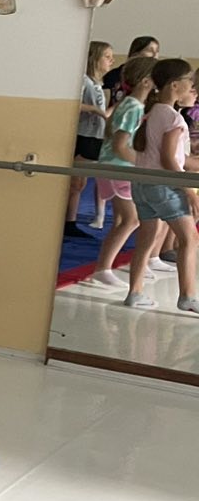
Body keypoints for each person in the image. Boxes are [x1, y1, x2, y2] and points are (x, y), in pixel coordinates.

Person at [124, 58, 199, 314]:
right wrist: (188, 190)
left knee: (147, 238)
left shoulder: (153, 112)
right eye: (189, 83)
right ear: (175, 85)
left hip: (143, 185)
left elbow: (174, 157)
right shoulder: (174, 118)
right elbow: (168, 160)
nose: (192, 88)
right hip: (164, 186)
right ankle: (188, 296)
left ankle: (135, 292)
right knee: (190, 238)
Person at [89, 54, 158, 287]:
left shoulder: (131, 105)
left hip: (114, 167)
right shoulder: (133, 107)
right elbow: (120, 145)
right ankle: (103, 267)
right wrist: (142, 163)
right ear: (146, 81)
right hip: (119, 168)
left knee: (122, 219)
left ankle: (105, 266)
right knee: (132, 219)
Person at [68, 42, 115, 238]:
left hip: (95, 134)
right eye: (107, 56)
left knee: (80, 182)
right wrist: (95, 110)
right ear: (94, 59)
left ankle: (71, 220)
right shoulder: (84, 81)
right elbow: (74, 104)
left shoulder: (97, 84)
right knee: (76, 181)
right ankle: (69, 221)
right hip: (85, 135)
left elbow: (102, 112)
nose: (112, 61)